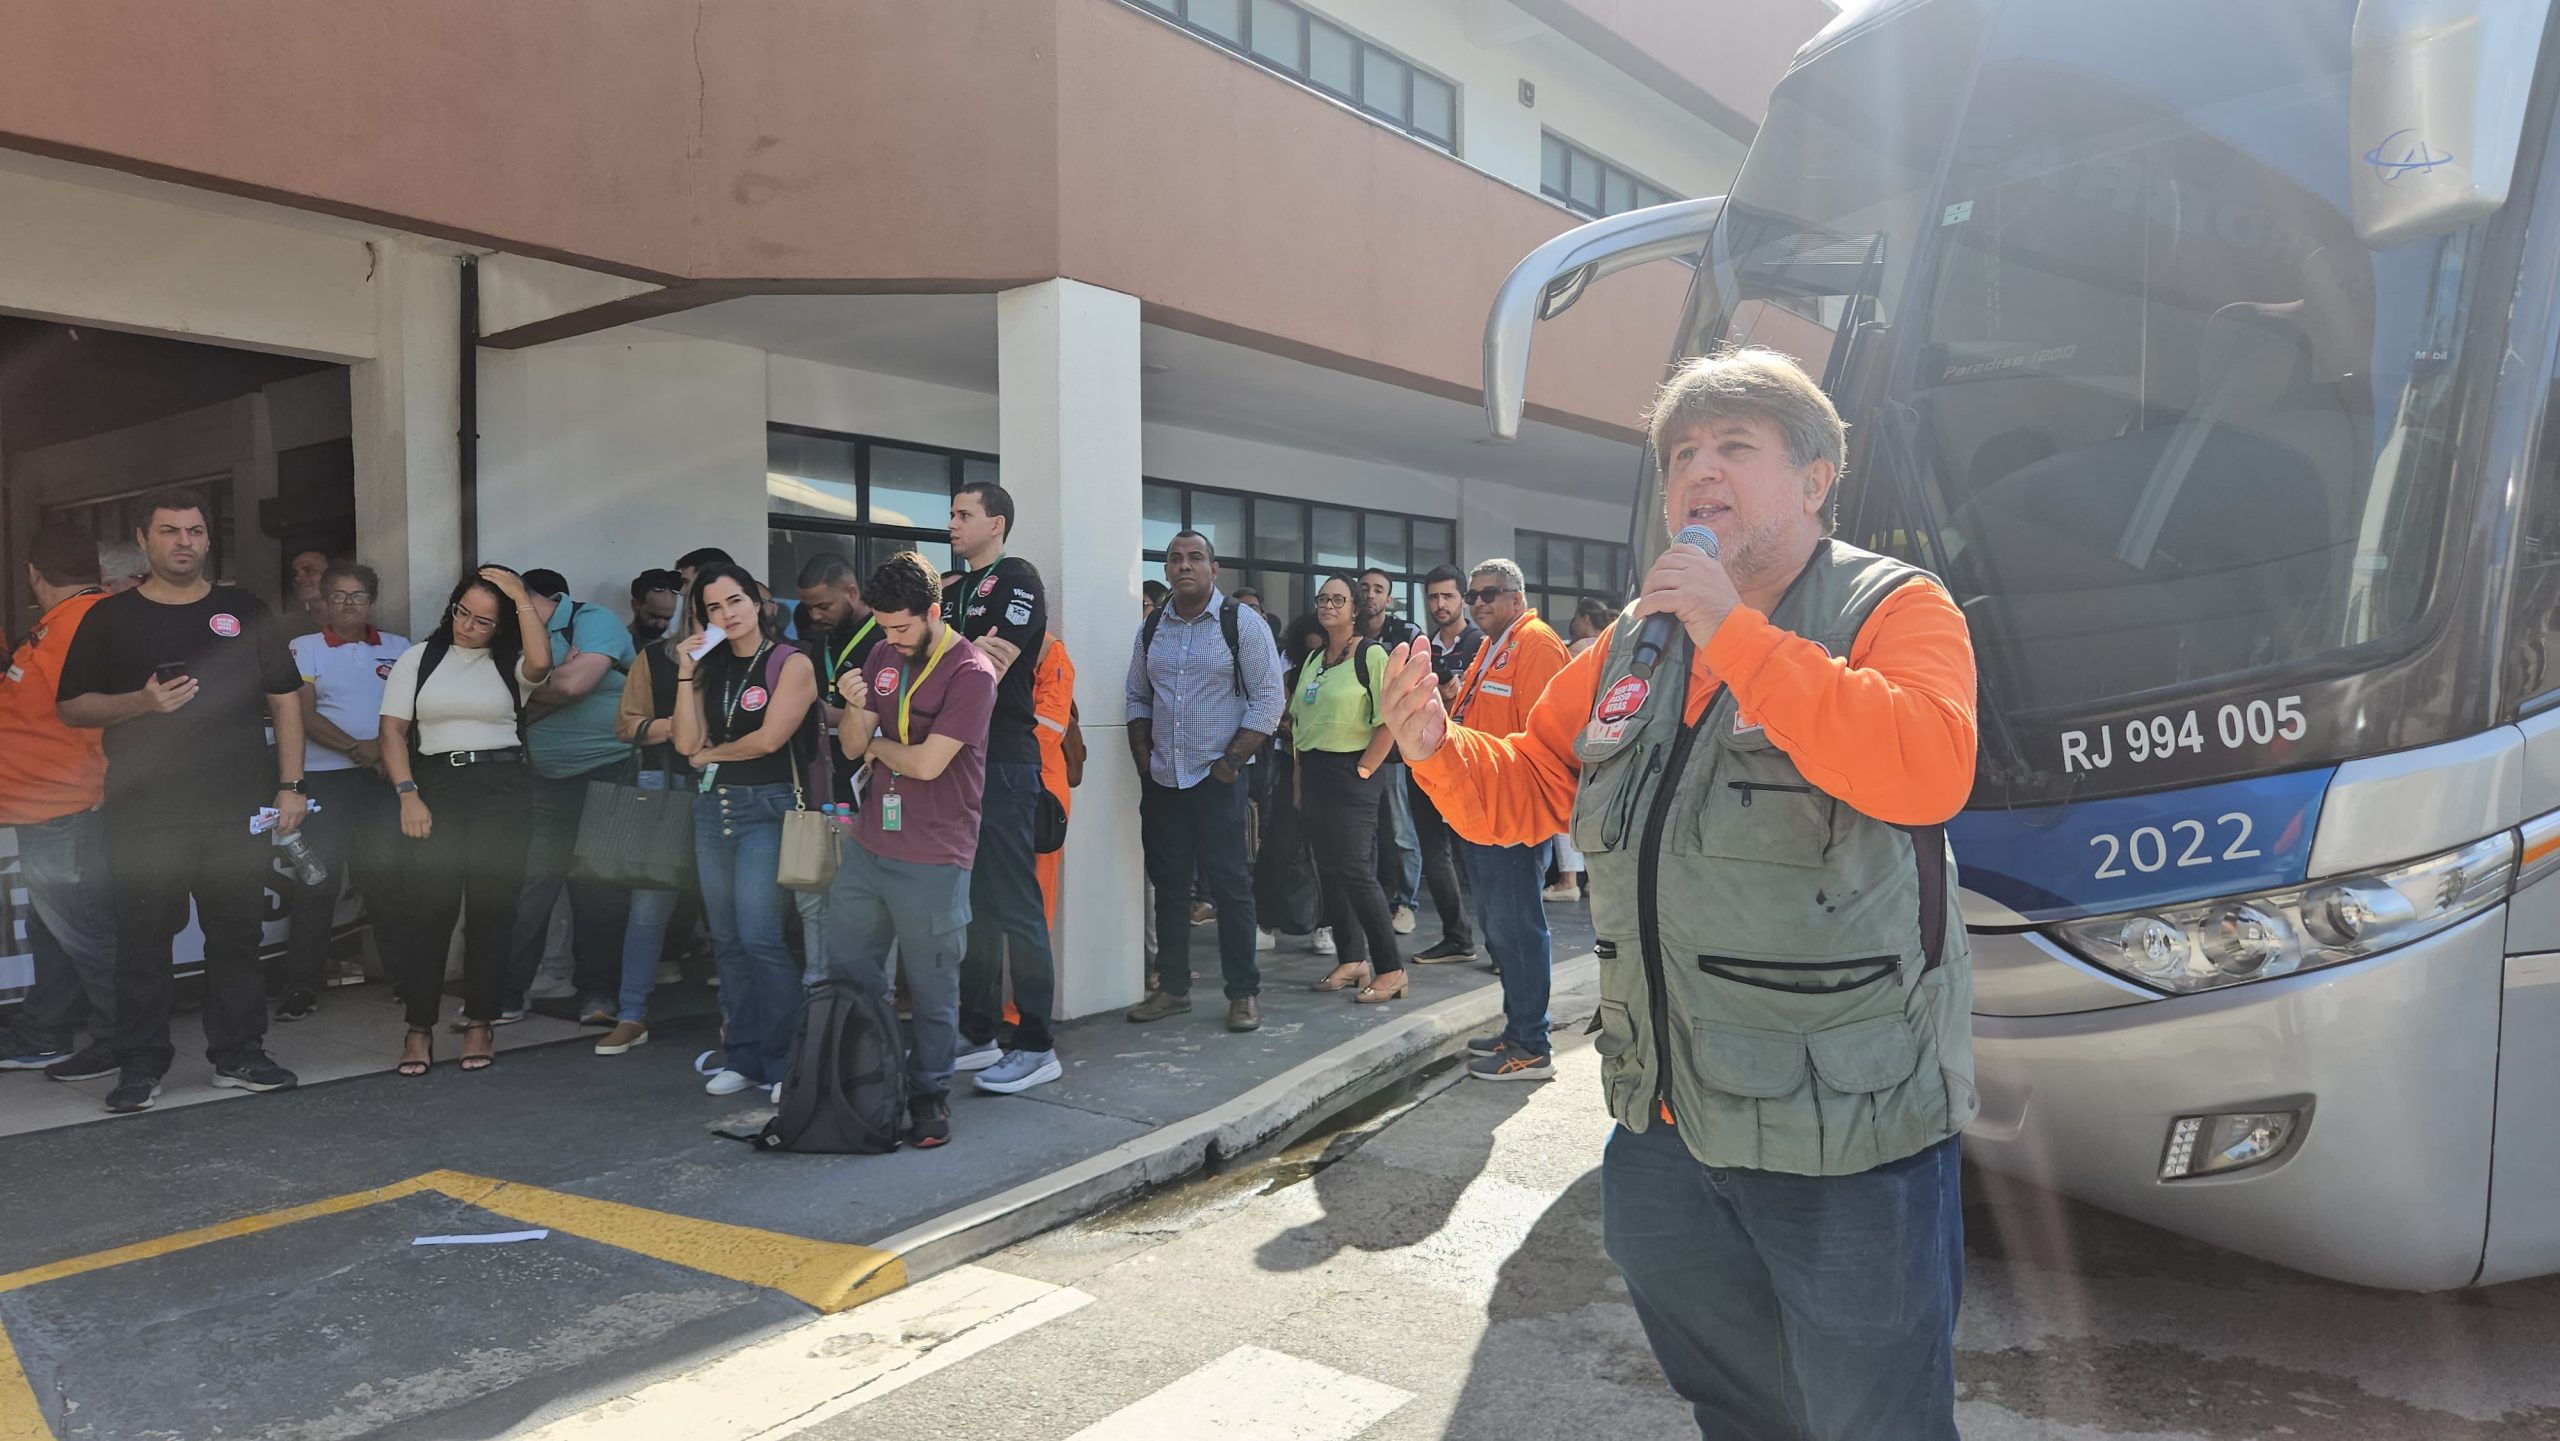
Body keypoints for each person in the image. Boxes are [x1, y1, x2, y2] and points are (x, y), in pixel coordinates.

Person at [1379, 348, 1979, 1439]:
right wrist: (1436, 746)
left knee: (1874, 1422)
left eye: (1734, 446)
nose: (1701, 470)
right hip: (1663, 1125)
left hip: (1848, 1144)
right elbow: (1533, 787)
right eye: (1682, 454)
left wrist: (1732, 631)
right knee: (1737, 1411)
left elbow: (1928, 769)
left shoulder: (1895, 607)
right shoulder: (1632, 640)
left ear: (1815, 479)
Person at [55, 490, 310, 1114]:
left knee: (237, 937)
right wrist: (140, 703)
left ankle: (240, 1054)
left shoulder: (244, 610)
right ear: (144, 540)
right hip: (146, 811)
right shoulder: (109, 618)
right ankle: (140, 1065)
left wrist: (292, 784)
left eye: (194, 531)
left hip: (235, 806)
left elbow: (284, 698)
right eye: (169, 531)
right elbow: (72, 707)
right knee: (143, 942)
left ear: (208, 540)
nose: (184, 542)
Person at [822, 552, 999, 1148]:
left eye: (901, 627)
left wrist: (877, 745)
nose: (891, 639)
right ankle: (864, 1081)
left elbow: (926, 764)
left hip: (936, 855)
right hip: (870, 845)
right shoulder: (880, 653)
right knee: (850, 971)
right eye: (883, 627)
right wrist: (856, 709)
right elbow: (851, 747)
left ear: (934, 611)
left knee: (932, 987)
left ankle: (929, 1094)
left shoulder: (971, 672)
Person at [377, 566, 554, 1075]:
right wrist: (408, 793)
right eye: (462, 612)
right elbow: (392, 733)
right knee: (428, 911)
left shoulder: (511, 663)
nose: (467, 626)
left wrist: (519, 594)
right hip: (436, 788)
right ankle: (418, 1028)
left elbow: (542, 663)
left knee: (492, 912)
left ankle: (481, 1021)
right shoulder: (420, 658)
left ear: (502, 625)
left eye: (482, 620)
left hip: (503, 789)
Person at [1124, 531, 1285, 1033]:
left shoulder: (1241, 623)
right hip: (1164, 780)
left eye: (1195, 558)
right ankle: (1173, 988)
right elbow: (1137, 695)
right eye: (1176, 559)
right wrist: (1144, 759)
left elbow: (1269, 700)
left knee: (1231, 888)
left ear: (1214, 569)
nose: (1184, 565)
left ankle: (1243, 993)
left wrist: (1231, 762)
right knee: (1170, 887)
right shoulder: (1154, 625)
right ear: (1167, 570)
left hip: (1219, 777)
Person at [674, 562, 821, 1097]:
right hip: (713, 808)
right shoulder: (709, 667)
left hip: (768, 807)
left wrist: (712, 754)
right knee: (728, 940)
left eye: (735, 601)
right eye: (713, 608)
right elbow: (685, 743)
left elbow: (769, 740)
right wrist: (685, 672)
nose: (727, 614)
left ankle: (785, 1063)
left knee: (761, 937)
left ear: (757, 602)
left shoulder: (791, 661)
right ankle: (744, 1055)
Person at [942, 481, 1062, 1094]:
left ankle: (1037, 1044)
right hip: (955, 761)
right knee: (976, 906)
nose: (952, 523)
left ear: (997, 523)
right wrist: (960, 654)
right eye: (951, 513)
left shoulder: (1018, 579)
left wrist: (948, 657)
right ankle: (978, 1031)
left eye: (964, 514)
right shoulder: (946, 591)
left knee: (1016, 903)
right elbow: (926, 665)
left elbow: (991, 666)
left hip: (1006, 760)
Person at [1438, 558, 1571, 1080]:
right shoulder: (1495, 645)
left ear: (1517, 597)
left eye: (1488, 594)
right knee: (1500, 927)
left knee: (1517, 927)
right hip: (1484, 809)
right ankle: (1518, 1029)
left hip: (1513, 813)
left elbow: (1547, 736)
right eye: (1472, 595)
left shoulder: (1535, 644)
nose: (1477, 603)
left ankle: (1531, 1045)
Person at [0, 525, 118, 1080]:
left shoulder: (88, 623)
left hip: (66, 806)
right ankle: (43, 1031)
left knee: (86, 931)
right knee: (55, 929)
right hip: (43, 804)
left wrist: (107, 784)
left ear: (33, 573)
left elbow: (113, 714)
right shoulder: (68, 621)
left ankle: (123, 1040)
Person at [276, 562, 411, 1021]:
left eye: (358, 596)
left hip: (381, 780)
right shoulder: (305, 648)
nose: (349, 604)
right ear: (324, 602)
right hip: (326, 778)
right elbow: (303, 715)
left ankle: (405, 978)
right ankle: (302, 986)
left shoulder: (399, 648)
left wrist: (382, 754)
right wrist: (360, 749)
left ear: (372, 601)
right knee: (318, 880)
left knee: (386, 878)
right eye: (339, 595)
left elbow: (410, 710)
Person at [500, 574, 637, 1025]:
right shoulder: (510, 637)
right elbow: (500, 705)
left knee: (600, 889)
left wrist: (534, 694)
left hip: (610, 771)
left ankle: (599, 993)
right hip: (543, 779)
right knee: (530, 884)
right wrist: (548, 688)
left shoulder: (591, 620)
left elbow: (574, 686)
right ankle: (508, 993)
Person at [600, 577, 700, 1057]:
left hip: (730, 789)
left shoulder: (754, 659)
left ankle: (741, 1020)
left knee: (732, 912)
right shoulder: (657, 657)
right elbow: (626, 725)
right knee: (648, 908)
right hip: (664, 783)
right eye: (706, 605)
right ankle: (631, 1014)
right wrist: (677, 727)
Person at [1292, 575, 1404, 1001]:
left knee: (1356, 870)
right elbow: (1301, 722)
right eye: (1323, 598)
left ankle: (1391, 968)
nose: (1328, 605)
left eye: (1338, 599)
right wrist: (1299, 780)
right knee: (1329, 869)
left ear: (1355, 608)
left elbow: (1389, 719)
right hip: (1314, 770)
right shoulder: (1314, 658)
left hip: (1352, 771)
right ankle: (1352, 958)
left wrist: (1364, 769)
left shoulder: (1372, 655)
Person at [1406, 565, 1481, 965]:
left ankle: (1502, 945)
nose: (1440, 604)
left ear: (1463, 599)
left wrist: (1458, 693)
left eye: (1448, 596)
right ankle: (1457, 937)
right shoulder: (1421, 648)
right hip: (1427, 762)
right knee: (1435, 854)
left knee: (1480, 855)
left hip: (1471, 762)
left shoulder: (1483, 644)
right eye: (1433, 597)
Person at [1358, 567, 1424, 933]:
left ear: (1389, 597)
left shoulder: (1406, 633)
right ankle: (1368, 902)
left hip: (1395, 748)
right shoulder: (1348, 633)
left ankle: (1406, 903)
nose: (1370, 594)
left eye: (1378, 589)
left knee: (1400, 829)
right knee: (1364, 830)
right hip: (1355, 746)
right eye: (1364, 588)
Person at [629, 568, 684, 649]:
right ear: (636, 605)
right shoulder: (615, 642)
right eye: (654, 616)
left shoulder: (672, 649)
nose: (661, 624)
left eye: (667, 618)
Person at [283, 548, 331, 638]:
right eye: (295, 573)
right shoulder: (286, 627)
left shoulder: (354, 623)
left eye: (309, 571)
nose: (297, 578)